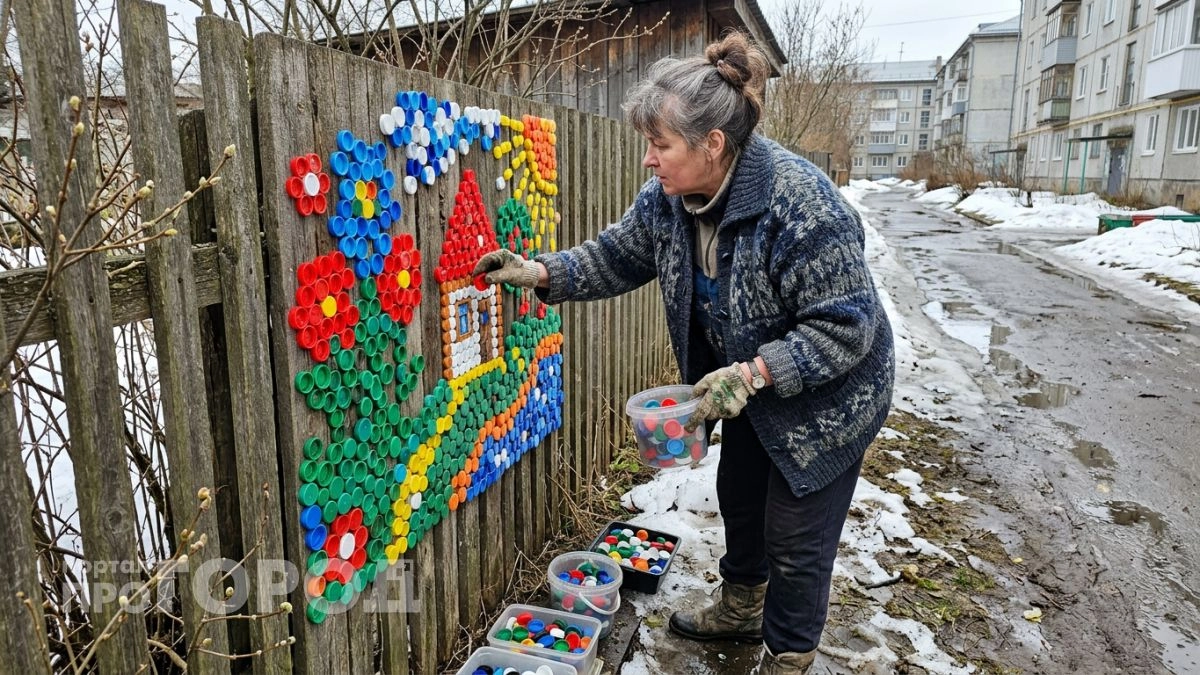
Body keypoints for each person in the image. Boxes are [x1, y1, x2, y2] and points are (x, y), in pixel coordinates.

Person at [474, 32, 895, 675]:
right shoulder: (669, 201)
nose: (648, 159)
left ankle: (788, 655)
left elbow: (846, 328)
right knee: (741, 492)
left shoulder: (801, 206)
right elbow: (615, 256)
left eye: (660, 144)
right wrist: (539, 274)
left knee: (795, 536)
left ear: (713, 145)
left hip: (830, 399)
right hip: (746, 385)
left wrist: (757, 371)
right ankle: (741, 607)